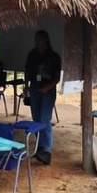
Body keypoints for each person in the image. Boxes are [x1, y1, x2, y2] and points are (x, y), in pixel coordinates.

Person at [25, 30, 62, 165]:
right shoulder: (32, 54)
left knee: (44, 119)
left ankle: (46, 150)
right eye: (36, 40)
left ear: (46, 40)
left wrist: (48, 87)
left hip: (48, 89)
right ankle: (40, 147)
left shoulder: (53, 56)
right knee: (36, 119)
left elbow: (57, 77)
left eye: (40, 39)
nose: (37, 42)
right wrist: (27, 86)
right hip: (35, 88)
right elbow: (27, 71)